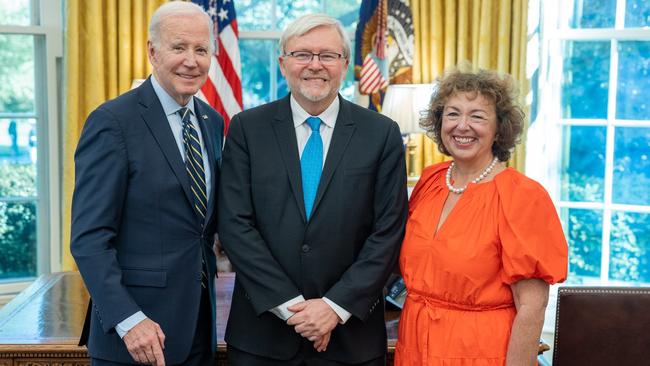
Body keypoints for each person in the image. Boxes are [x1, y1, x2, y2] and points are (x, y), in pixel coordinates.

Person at [218, 13, 408, 366]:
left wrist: (334, 308)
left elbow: (388, 232)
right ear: (282, 62)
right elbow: (234, 224)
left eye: (327, 55)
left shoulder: (381, 134)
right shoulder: (247, 129)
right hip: (262, 338)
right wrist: (294, 310)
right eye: (302, 54)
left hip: (352, 340)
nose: (315, 65)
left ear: (345, 63)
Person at [70, 2, 224, 365]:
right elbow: (89, 239)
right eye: (179, 47)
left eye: (201, 50)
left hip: (198, 330)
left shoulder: (211, 121)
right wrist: (128, 320)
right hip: (136, 337)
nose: (192, 60)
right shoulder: (113, 121)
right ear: (153, 52)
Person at [395, 69, 568, 366]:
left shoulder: (522, 196)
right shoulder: (430, 181)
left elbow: (531, 306)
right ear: (440, 123)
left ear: (499, 129)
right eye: (453, 114)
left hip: (478, 352)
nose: (462, 126)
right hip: (413, 348)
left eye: (477, 116)